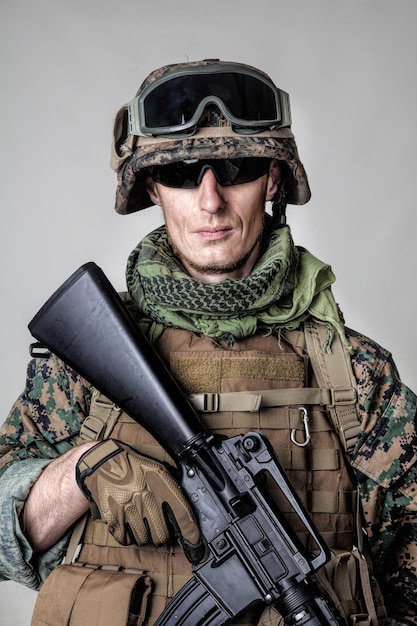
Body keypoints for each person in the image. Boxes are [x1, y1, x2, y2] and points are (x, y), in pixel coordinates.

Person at [0, 59, 416, 626]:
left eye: (236, 168)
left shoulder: (354, 373)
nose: (211, 199)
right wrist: (80, 471)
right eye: (182, 173)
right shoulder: (83, 369)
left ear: (272, 179)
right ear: (152, 186)